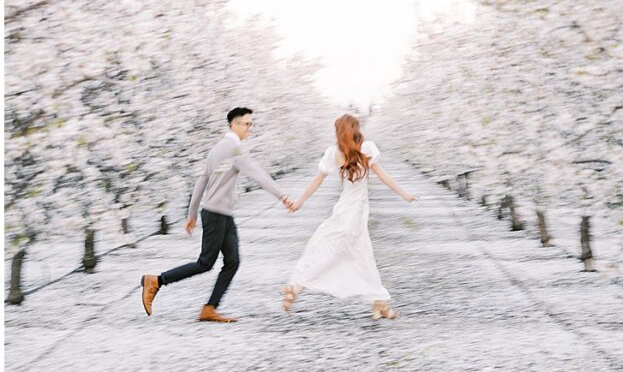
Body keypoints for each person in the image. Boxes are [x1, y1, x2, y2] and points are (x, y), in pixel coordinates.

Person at [140, 106, 293, 322]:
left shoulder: (217, 149)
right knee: (205, 263)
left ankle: (210, 308)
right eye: (247, 124)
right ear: (234, 124)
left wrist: (192, 214)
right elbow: (256, 172)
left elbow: (202, 180)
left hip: (221, 214)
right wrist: (283, 196)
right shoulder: (234, 149)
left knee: (232, 261)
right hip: (217, 214)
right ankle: (156, 281)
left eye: (251, 124)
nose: (250, 128)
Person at [281, 113, 416, 320]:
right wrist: (403, 193)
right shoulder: (366, 148)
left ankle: (378, 302)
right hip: (356, 210)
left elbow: (317, 181)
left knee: (335, 247)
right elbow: (383, 175)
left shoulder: (335, 152)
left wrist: (300, 201)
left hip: (346, 208)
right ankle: (297, 285)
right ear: (355, 129)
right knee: (346, 250)